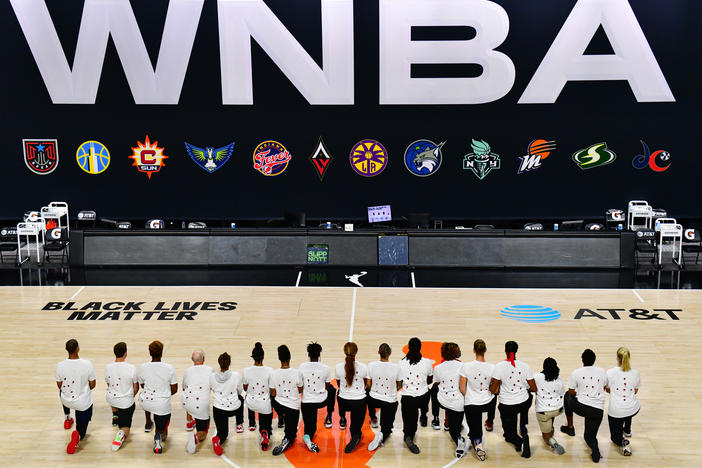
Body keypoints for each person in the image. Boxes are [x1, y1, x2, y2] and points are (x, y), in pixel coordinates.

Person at [560, 348, 608, 463]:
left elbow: (571, 392)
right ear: (594, 360)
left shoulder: (576, 372)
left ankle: (570, 428)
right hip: (598, 411)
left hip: (582, 407)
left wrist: (580, 394)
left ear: (582, 360)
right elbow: (605, 387)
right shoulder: (602, 371)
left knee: (567, 396)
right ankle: (595, 450)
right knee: (589, 437)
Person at [490, 340, 536, 459]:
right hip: (523, 403)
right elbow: (534, 388)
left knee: (508, 434)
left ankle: (518, 442)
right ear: (516, 351)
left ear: (505, 351)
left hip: (507, 405)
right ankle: (522, 425)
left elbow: (494, 390)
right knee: (528, 397)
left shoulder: (499, 366)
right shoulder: (526, 366)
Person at [56, 339, 96, 454]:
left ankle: (67, 418)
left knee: (62, 392)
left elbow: (59, 385)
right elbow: (92, 385)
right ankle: (78, 435)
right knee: (82, 427)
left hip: (66, 400)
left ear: (66, 350)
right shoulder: (87, 364)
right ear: (78, 348)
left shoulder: (60, 365)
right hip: (82, 403)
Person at [459, 339, 497, 461]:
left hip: (472, 404)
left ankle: (477, 442)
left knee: (475, 426)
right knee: (493, 396)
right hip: (488, 403)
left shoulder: (466, 366)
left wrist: (469, 396)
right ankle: (490, 421)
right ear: (485, 350)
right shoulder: (493, 367)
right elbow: (495, 388)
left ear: (474, 350)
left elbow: (462, 387)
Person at [138, 340, 178, 454]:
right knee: (164, 432)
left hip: (145, 401)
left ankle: (148, 422)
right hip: (161, 404)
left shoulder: (143, 367)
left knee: (148, 396)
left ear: (149, 353)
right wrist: (163, 394)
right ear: (162, 353)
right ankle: (158, 436)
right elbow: (174, 390)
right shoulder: (169, 368)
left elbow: (142, 385)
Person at [398, 337, 434, 454]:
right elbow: (429, 381)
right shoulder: (427, 362)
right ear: (420, 348)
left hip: (408, 398)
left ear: (408, 348)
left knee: (410, 420)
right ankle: (423, 416)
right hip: (422, 396)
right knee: (426, 393)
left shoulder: (401, 363)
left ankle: (408, 435)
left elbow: (399, 382)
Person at [433, 342, 468, 458]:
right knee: (455, 430)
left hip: (443, 401)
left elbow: (436, 382)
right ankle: (459, 439)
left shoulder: (438, 368)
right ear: (456, 353)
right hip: (459, 403)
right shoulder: (463, 366)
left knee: (433, 389)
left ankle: (436, 418)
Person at [299, 342, 335, 453]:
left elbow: (300, 387)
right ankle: (329, 416)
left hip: (306, 402)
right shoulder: (325, 368)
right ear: (319, 355)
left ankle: (307, 435)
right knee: (332, 390)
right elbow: (327, 386)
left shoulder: (302, 367)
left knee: (310, 426)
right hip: (321, 401)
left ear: (308, 354)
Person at [366, 343, 402, 451]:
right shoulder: (397, 367)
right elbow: (399, 385)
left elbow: (368, 384)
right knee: (388, 427)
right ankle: (383, 433)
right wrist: (391, 390)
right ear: (390, 353)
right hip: (389, 401)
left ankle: (373, 418)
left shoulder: (371, 365)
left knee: (368, 392)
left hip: (374, 399)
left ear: (378, 352)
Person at [605, 347, 640, 456]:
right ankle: (627, 429)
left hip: (616, 412)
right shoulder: (636, 373)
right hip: (633, 408)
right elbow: (635, 391)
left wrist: (616, 391)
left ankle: (623, 441)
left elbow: (607, 389)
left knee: (614, 438)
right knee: (628, 407)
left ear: (617, 358)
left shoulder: (610, 372)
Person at [334, 341, 369, 453]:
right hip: (359, 402)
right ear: (356, 353)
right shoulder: (363, 367)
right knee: (356, 426)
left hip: (344, 402)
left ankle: (343, 418)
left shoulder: (338, 367)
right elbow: (365, 384)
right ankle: (356, 435)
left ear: (345, 352)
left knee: (339, 393)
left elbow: (339, 385)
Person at [105, 342, 139, 451]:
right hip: (126, 403)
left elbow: (109, 384)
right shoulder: (131, 368)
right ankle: (120, 435)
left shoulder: (108, 367)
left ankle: (115, 416)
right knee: (125, 427)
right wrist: (130, 396)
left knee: (113, 392)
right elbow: (136, 388)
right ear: (125, 353)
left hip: (111, 398)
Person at [270, 344, 303, 455]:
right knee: (292, 435)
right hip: (292, 407)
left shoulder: (273, 373)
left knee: (271, 397)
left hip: (279, 405)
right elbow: (300, 390)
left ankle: (281, 416)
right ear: (290, 358)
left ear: (279, 359)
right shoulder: (297, 372)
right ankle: (286, 439)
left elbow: (273, 393)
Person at [210, 352, 244, 456]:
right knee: (241, 399)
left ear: (219, 363)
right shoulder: (236, 375)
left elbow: (212, 389)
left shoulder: (211, 376)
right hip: (233, 408)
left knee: (223, 434)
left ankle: (217, 440)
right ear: (229, 363)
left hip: (218, 409)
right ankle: (239, 424)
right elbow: (240, 391)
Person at [243, 342, 274, 451]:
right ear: (263, 357)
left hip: (251, 403)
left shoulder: (246, 371)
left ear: (253, 357)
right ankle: (265, 432)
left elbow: (245, 388)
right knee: (268, 400)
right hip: (264, 404)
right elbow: (272, 389)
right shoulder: (270, 371)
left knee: (250, 394)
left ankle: (251, 423)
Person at [182, 349, 213, 454]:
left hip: (187, 403)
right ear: (204, 359)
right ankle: (196, 437)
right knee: (203, 433)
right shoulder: (210, 370)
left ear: (192, 359)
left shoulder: (187, 371)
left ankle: (189, 423)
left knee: (189, 395)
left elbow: (184, 387)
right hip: (201, 406)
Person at [534, 357, 566, 455]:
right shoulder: (559, 379)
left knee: (546, 437)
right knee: (551, 415)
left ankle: (552, 442)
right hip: (557, 409)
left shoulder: (536, 377)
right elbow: (561, 393)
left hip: (543, 412)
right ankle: (550, 428)